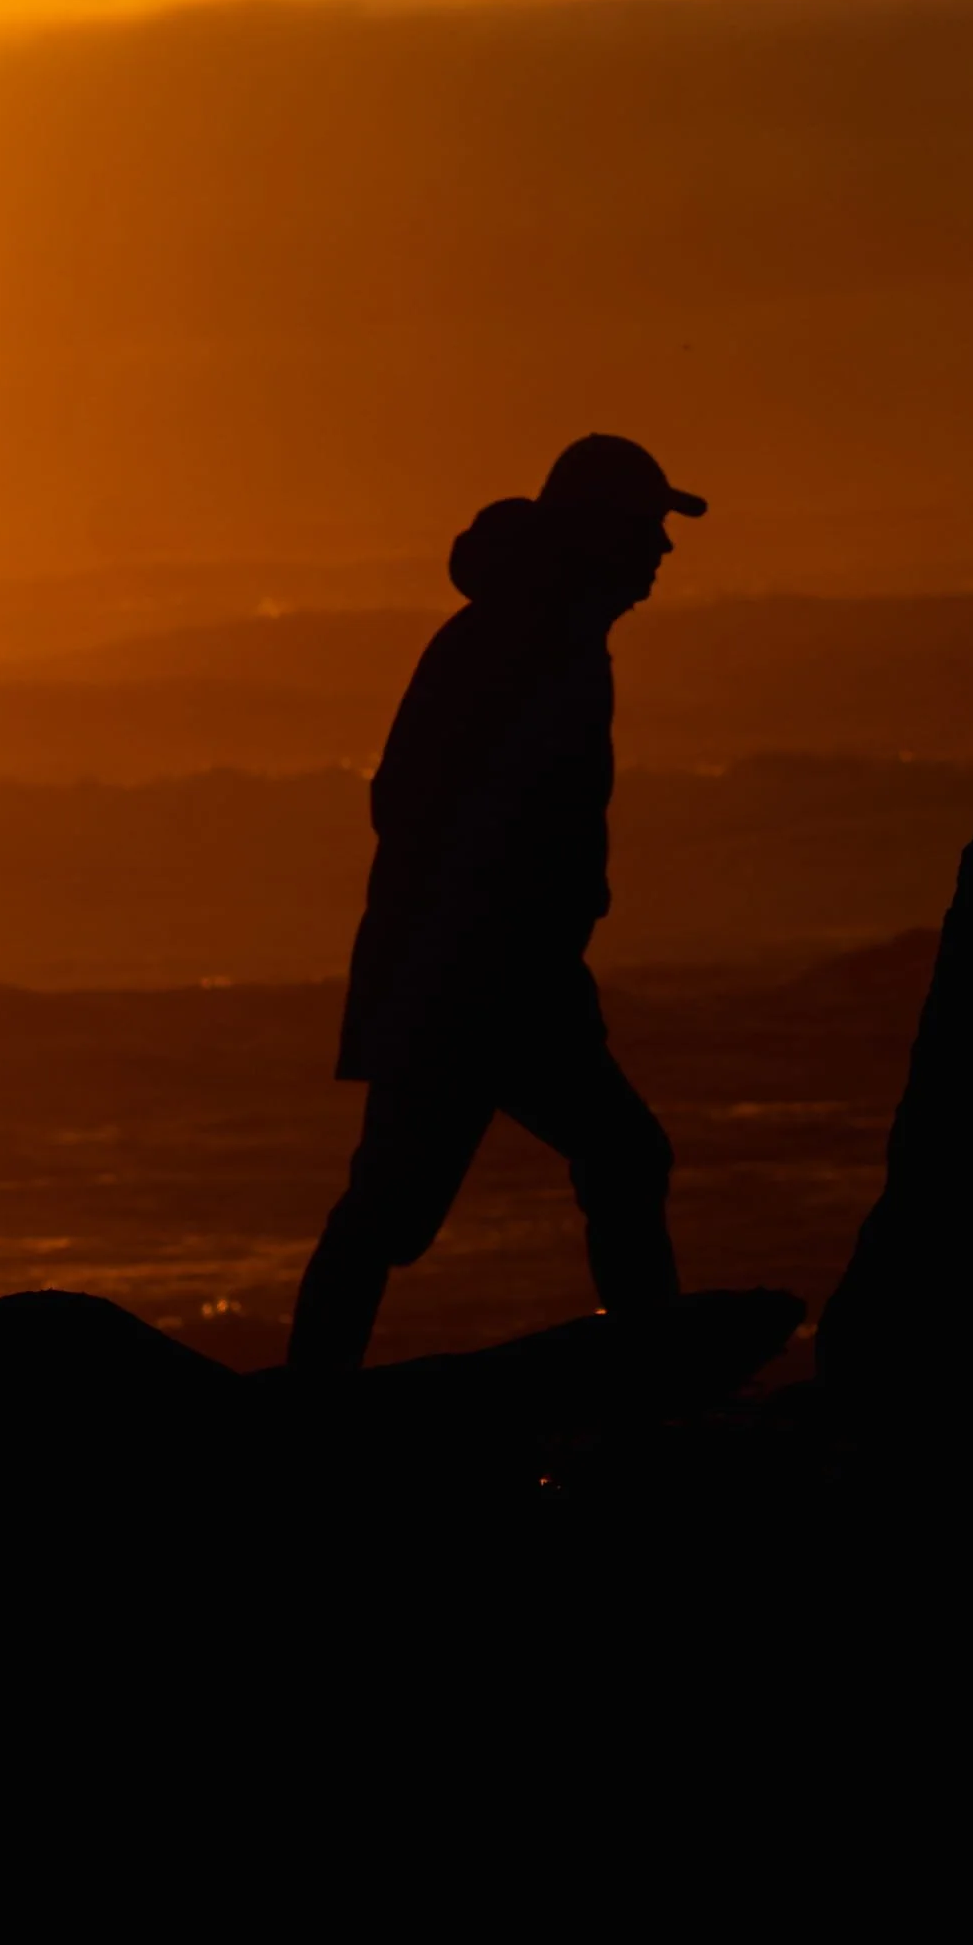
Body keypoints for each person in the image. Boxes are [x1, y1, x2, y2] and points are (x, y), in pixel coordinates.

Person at [285, 434, 706, 1370]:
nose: (662, 552)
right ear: (598, 532)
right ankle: (655, 1376)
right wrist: (494, 925)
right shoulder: (520, 642)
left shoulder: (547, 636)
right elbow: (410, 802)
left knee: (595, 1163)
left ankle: (650, 1370)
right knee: (411, 1202)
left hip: (499, 974)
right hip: (471, 978)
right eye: (648, 529)